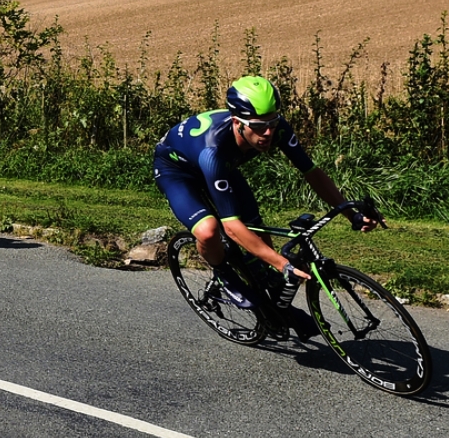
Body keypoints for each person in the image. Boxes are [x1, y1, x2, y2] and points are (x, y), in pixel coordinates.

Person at [153, 75, 380, 338]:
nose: (269, 133)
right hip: (177, 171)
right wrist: (281, 263)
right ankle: (224, 274)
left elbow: (312, 173)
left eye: (272, 123)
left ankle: (272, 304)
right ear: (237, 122)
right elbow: (234, 229)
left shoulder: (274, 128)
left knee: (254, 224)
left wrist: (350, 213)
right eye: (259, 127)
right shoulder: (213, 150)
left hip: (223, 167)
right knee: (209, 230)